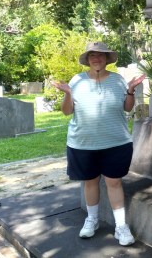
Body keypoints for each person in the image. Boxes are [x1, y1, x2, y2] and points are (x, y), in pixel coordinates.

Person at [53, 41, 146, 246]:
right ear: (87, 59)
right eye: (92, 55)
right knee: (90, 181)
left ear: (106, 59)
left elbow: (127, 108)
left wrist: (130, 90)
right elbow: (67, 111)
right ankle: (92, 219)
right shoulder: (76, 81)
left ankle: (121, 227)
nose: (97, 59)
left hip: (116, 142)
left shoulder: (118, 80)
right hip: (83, 143)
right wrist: (68, 93)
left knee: (114, 182)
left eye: (101, 55)